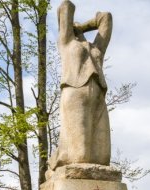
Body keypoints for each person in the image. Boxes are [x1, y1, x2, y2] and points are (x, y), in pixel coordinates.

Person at [50, 0, 112, 170]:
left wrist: (82, 27)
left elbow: (106, 18)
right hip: (75, 91)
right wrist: (70, 28)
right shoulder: (66, 43)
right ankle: (60, 160)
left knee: (102, 157)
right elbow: (66, 7)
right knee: (81, 157)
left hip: (98, 94)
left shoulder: (96, 48)